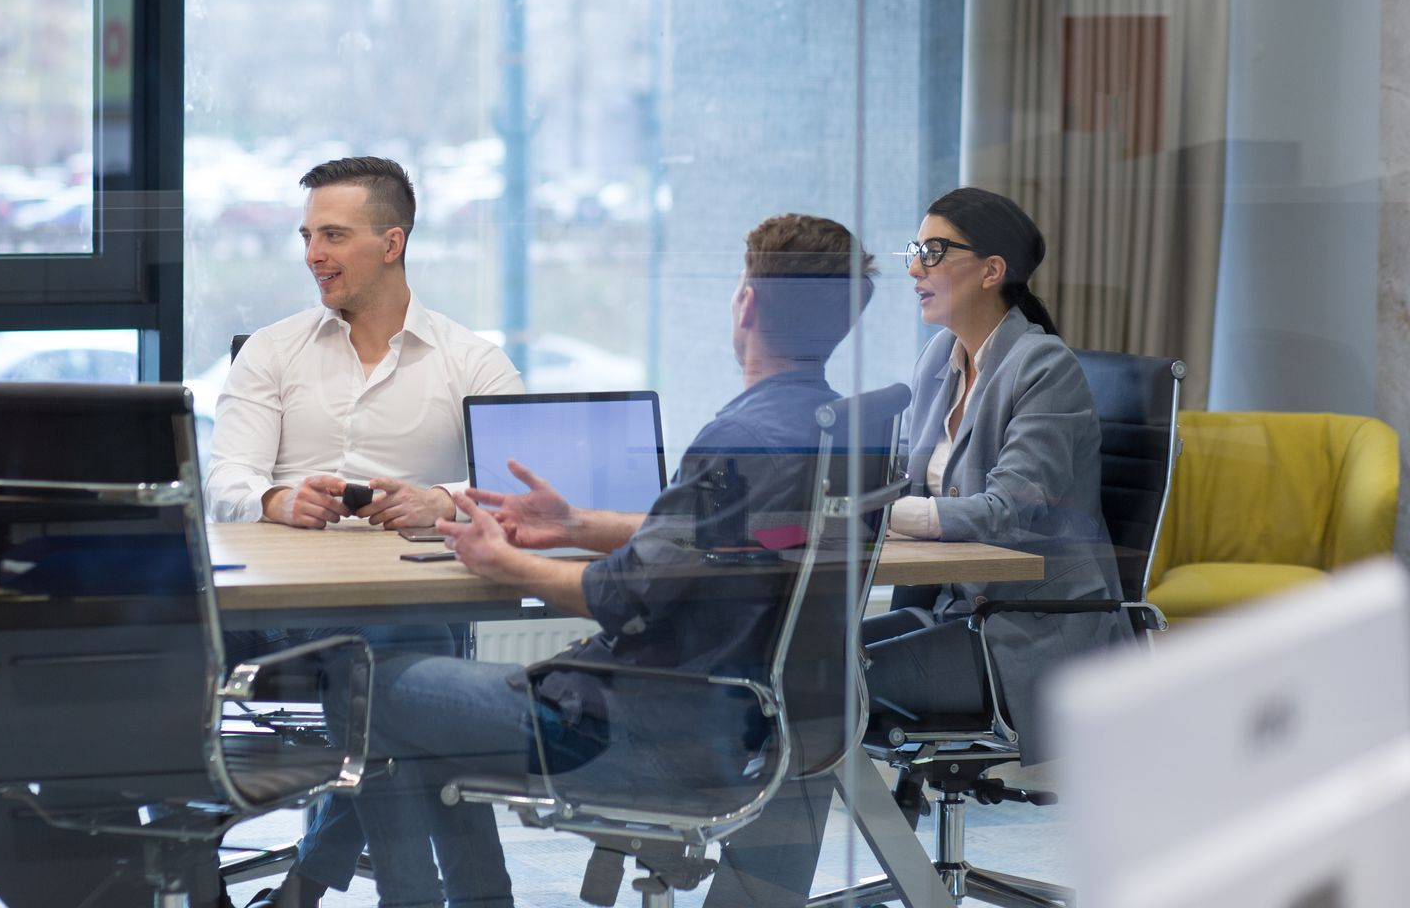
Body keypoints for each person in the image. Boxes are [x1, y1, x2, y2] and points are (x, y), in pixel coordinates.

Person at [346, 213, 876, 908]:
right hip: (737, 720)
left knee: (365, 686)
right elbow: (726, 546)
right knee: (421, 697)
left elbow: (622, 596)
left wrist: (501, 560)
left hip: (633, 731)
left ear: (745, 302)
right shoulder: (824, 428)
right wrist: (575, 523)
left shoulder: (741, 437)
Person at [204, 156, 524, 908]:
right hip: (285, 619)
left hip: (409, 614)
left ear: (392, 242)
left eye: (334, 235)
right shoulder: (272, 354)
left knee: (385, 666)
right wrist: (281, 499)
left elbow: (517, 492)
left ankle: (320, 889)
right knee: (401, 674)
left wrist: (436, 502)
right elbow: (224, 483)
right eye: (308, 234)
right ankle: (467, 897)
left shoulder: (471, 361)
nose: (312, 253)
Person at [870, 186, 1125, 759]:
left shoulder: (1044, 366)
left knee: (818, 691)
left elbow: (1007, 513)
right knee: (797, 667)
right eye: (915, 249)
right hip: (952, 616)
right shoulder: (939, 357)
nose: (914, 267)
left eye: (933, 251)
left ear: (991, 270)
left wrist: (880, 515)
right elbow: (905, 484)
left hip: (1028, 633)